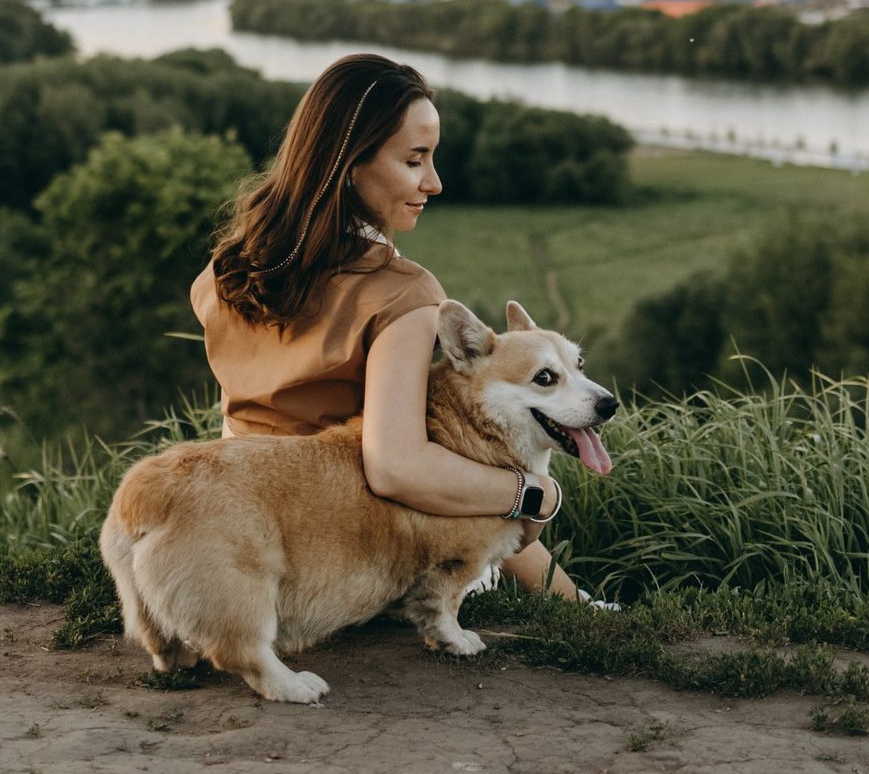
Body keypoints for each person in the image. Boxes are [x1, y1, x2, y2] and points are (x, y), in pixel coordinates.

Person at [193, 51, 601, 603]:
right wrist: (536, 495)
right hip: (348, 547)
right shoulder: (403, 293)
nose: (434, 182)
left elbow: (239, 428)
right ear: (350, 165)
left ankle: (578, 606)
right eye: (415, 160)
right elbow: (395, 468)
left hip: (240, 533)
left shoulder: (229, 269)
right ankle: (582, 608)